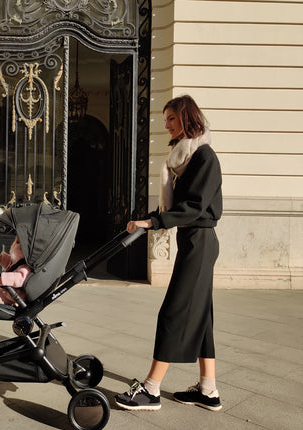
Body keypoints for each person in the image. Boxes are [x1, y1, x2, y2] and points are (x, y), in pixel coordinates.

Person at [115, 95, 223, 412]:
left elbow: (193, 207)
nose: (166, 125)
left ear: (188, 119)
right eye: (166, 119)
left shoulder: (205, 157)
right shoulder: (184, 157)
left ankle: (151, 390)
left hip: (201, 242)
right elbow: (176, 205)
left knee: (173, 312)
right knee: (201, 316)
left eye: (171, 118)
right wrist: (145, 220)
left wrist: (154, 221)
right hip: (193, 241)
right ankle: (208, 390)